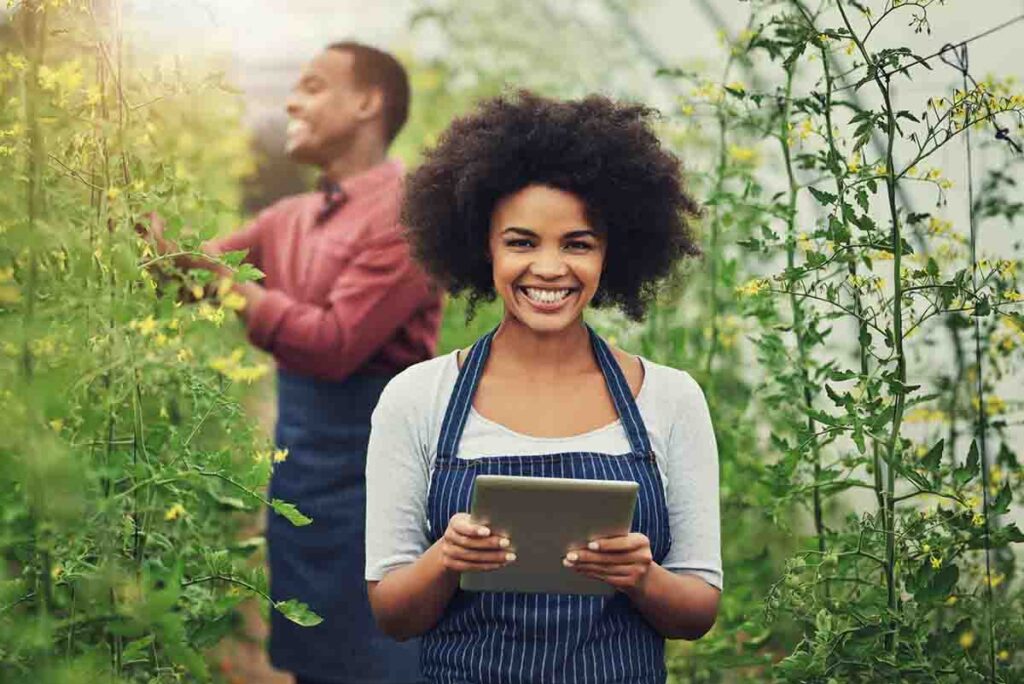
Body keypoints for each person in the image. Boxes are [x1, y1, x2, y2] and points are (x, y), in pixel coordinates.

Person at [363, 91, 722, 683]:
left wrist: (643, 577)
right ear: (484, 246)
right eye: (522, 242)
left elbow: (697, 611)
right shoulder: (416, 398)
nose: (550, 269)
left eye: (577, 243)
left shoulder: (672, 399)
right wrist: (446, 561)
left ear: (614, 251)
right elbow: (393, 614)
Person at [144, 42, 439, 684]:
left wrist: (228, 284)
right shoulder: (293, 217)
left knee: (383, 652)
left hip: (380, 471)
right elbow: (192, 268)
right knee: (315, 650)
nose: (289, 101)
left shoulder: (411, 216)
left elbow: (334, 346)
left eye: (311, 85)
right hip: (306, 471)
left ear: (368, 102)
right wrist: (146, 231)